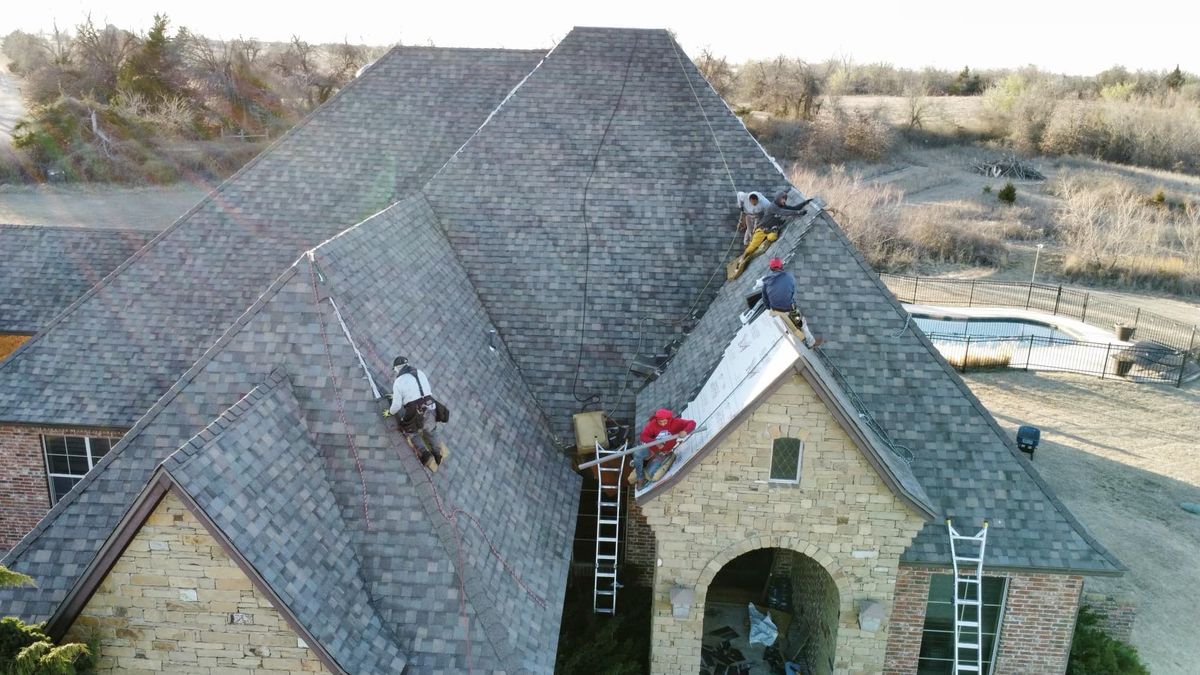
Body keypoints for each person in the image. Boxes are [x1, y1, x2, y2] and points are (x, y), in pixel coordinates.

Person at [384, 356, 449, 471]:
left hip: (416, 412)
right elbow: (419, 392)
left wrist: (389, 412)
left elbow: (397, 406)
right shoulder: (420, 373)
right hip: (431, 406)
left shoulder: (399, 382)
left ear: (397, 368)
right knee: (431, 431)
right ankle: (437, 455)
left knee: (412, 432)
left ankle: (426, 455)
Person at [761, 257, 823, 348]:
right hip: (790, 309)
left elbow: (765, 300)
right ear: (781, 266)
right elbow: (792, 292)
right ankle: (811, 342)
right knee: (802, 323)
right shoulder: (789, 277)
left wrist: (770, 307)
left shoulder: (766, 282)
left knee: (788, 329)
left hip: (775, 311)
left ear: (771, 269)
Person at [633, 408, 696, 489]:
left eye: (664, 422)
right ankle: (640, 478)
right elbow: (643, 436)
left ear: (669, 419)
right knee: (637, 454)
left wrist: (685, 431)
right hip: (651, 449)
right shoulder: (652, 424)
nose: (662, 424)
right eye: (660, 422)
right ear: (656, 420)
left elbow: (692, 423)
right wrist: (655, 442)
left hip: (663, 453)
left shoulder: (676, 422)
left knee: (650, 473)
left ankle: (653, 466)